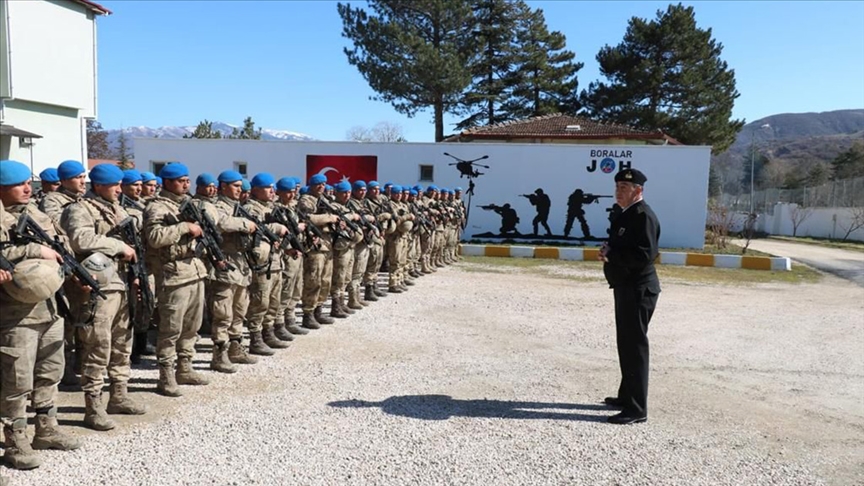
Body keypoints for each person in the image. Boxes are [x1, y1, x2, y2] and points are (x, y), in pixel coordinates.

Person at [0, 160, 82, 470]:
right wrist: (32, 251)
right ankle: (16, 439)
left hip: (49, 306)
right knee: (17, 377)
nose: (27, 188)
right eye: (18, 184)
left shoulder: (36, 213)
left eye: (28, 183)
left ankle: (46, 428)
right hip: (15, 313)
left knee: (50, 370)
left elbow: (60, 246)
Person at [61, 164, 147, 430]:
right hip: (98, 287)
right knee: (97, 345)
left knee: (122, 342)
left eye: (120, 184)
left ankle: (119, 395)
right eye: (114, 185)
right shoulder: (80, 209)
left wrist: (135, 274)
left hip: (121, 283)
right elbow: (80, 239)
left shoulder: (118, 209)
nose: (120, 189)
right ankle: (93, 406)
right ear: (98, 186)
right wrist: (119, 246)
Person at [598, 168, 661, 425]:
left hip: (638, 289)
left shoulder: (643, 216)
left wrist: (612, 255)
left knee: (634, 347)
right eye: (617, 187)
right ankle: (627, 396)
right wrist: (609, 249)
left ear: (638, 190)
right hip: (626, 287)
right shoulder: (626, 214)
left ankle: (636, 409)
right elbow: (625, 245)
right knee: (626, 343)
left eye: (624, 188)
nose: (618, 192)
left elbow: (645, 255)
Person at [143, 163, 210, 396]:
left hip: (194, 270)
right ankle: (166, 375)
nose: (186, 184)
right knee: (171, 328)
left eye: (187, 180)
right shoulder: (157, 207)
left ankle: (185, 367)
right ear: (168, 182)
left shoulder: (188, 204)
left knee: (192, 326)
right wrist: (184, 227)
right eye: (181, 180)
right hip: (173, 274)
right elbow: (154, 237)